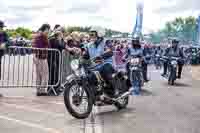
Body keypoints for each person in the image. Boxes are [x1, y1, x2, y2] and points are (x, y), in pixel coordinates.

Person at [82, 28, 116, 96]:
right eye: (90, 34)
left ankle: (112, 90)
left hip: (107, 63)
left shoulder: (106, 42)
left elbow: (110, 51)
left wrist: (102, 56)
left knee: (105, 69)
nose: (91, 36)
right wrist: (81, 57)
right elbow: (86, 55)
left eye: (93, 34)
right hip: (95, 66)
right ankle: (94, 92)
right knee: (88, 76)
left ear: (99, 34)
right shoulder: (89, 45)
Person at [32, 24, 51, 96]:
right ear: (45, 29)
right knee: (43, 74)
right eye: (48, 29)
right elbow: (39, 46)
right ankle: (41, 90)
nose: (48, 31)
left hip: (41, 57)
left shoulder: (41, 36)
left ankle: (40, 90)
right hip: (40, 58)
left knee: (40, 74)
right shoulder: (41, 37)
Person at [0, 20, 9, 97]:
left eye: (2, 27)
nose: (2, 29)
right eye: (1, 27)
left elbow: (9, 41)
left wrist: (5, 43)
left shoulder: (4, 34)